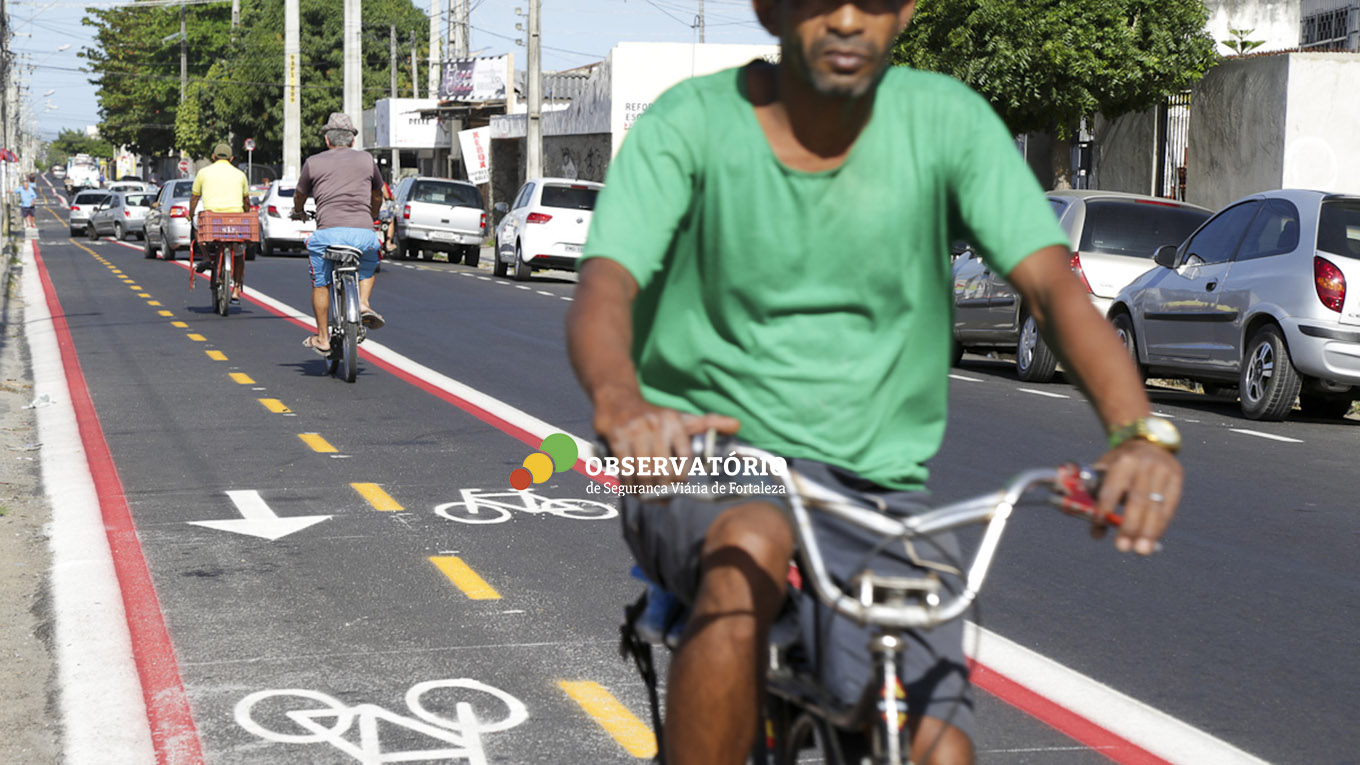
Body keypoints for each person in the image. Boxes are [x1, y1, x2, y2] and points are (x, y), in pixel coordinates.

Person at [564, 1, 1185, 763]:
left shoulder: (945, 122)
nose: (851, 19)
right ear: (770, 8)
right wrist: (623, 403)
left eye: (877, 0)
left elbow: (1054, 287)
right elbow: (605, 287)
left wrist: (1136, 430)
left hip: (872, 486)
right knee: (748, 544)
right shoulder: (690, 124)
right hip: (707, 457)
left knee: (938, 745)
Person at [291, 112, 386, 357]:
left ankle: (323, 338)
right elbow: (378, 194)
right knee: (369, 261)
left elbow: (300, 194)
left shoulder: (313, 162)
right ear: (352, 140)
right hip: (363, 234)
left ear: (327, 140)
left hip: (327, 235)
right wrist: (372, 216)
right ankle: (363, 303)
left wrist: (299, 211)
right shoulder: (367, 160)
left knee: (321, 282)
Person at [188, 143, 252, 300]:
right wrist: (245, 214)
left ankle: (206, 256)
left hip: (212, 221)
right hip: (235, 222)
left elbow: (195, 197)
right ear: (231, 158)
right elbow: (246, 201)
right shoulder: (240, 174)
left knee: (197, 224)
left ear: (213, 157)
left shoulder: (203, 173)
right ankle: (236, 289)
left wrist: (191, 215)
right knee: (238, 254)